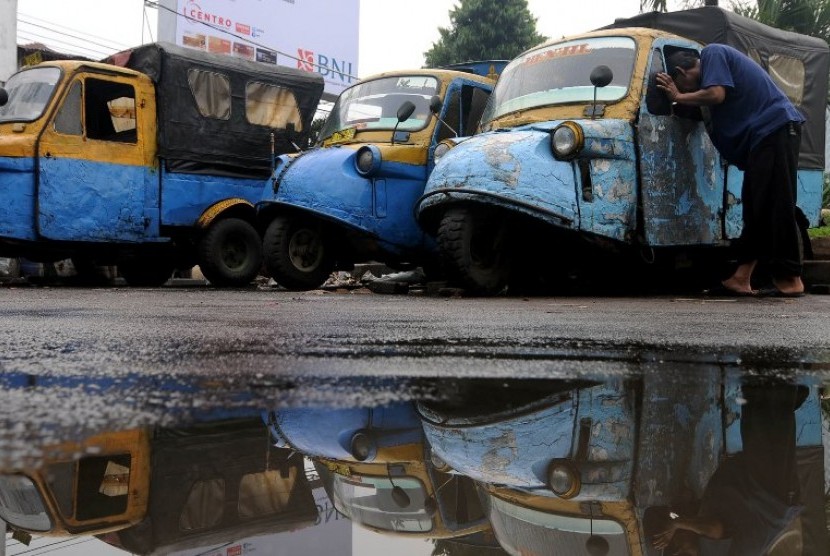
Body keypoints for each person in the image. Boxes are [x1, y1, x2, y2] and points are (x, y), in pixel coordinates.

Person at [656, 45, 807, 297]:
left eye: (682, 84)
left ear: (681, 71)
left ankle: (791, 279)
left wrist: (678, 96)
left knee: (776, 204)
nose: (687, 91)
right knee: (755, 208)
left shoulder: (712, 53)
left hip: (775, 130)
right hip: (763, 140)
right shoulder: (714, 78)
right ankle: (741, 278)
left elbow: (716, 94)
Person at [652, 382, 806, 555]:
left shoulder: (702, 541)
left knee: (756, 422)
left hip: (758, 491)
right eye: (677, 541)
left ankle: (769, 381)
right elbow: (715, 528)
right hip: (770, 497)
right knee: (770, 424)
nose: (678, 536)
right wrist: (677, 523)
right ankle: (780, 379)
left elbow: (694, 501)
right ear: (682, 550)